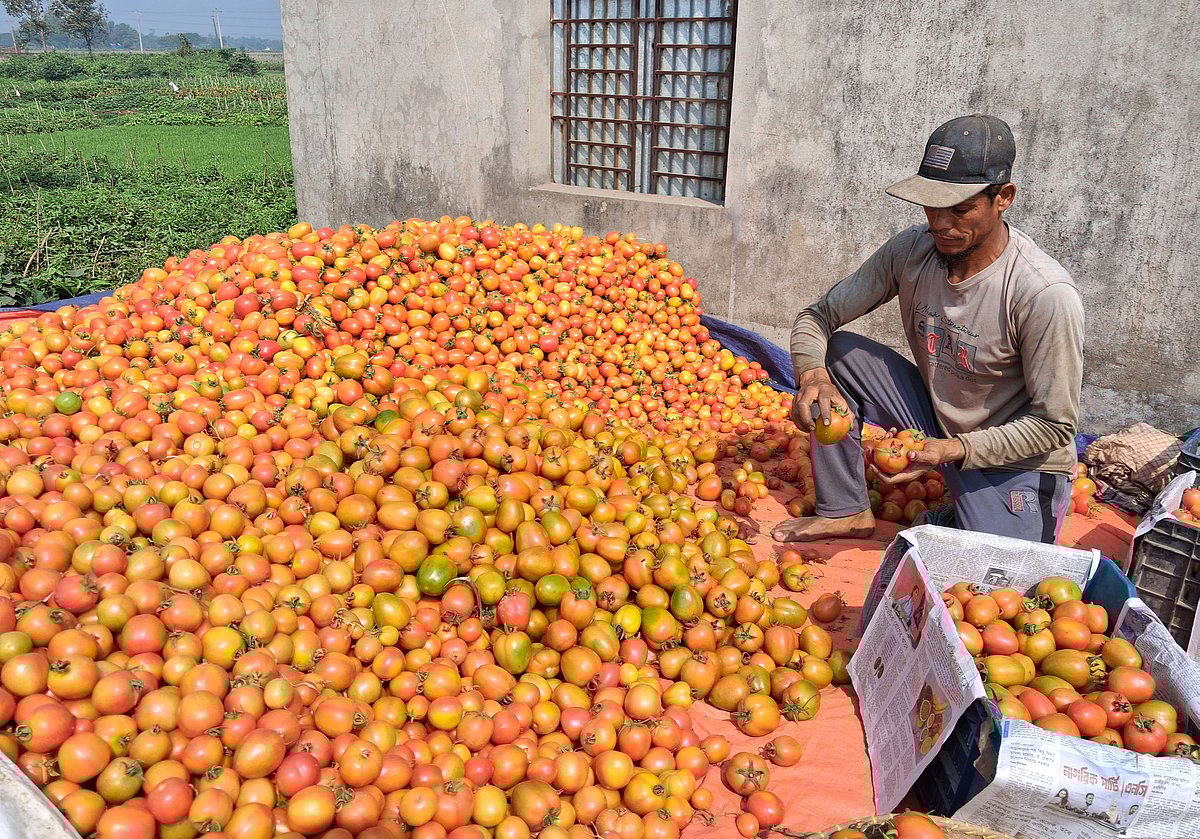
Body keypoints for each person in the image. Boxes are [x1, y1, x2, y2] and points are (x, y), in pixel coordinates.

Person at [773, 114, 1084, 545]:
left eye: (960, 208)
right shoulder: (913, 250)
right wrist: (812, 375)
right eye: (931, 204)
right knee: (839, 354)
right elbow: (818, 316)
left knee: (994, 577)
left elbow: (1054, 426)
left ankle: (964, 514)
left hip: (1017, 458)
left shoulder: (1042, 293)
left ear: (1003, 198)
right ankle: (846, 509)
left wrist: (955, 451)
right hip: (937, 421)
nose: (940, 222)